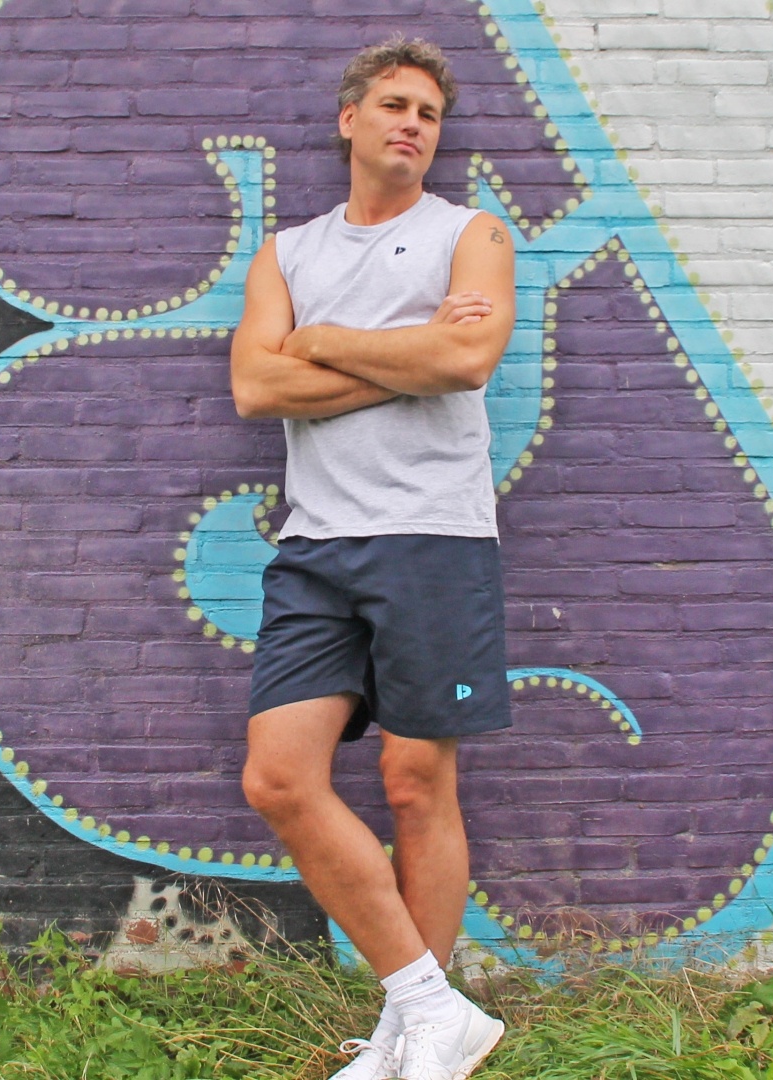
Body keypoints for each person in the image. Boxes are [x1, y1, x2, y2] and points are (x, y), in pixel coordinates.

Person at [230, 35, 515, 1080]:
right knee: (278, 777)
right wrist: (406, 353)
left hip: (433, 534)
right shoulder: (287, 254)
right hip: (315, 544)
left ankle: (415, 1038)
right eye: (395, 105)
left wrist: (317, 341)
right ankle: (432, 1007)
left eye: (429, 114)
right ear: (350, 119)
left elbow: (467, 357)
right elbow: (255, 389)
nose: (412, 124)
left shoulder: (472, 233)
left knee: (415, 781)